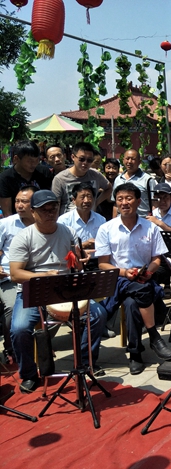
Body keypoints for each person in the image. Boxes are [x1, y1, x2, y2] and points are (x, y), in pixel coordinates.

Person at [10, 190, 106, 392]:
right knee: (19, 328)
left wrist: (80, 262)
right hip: (34, 288)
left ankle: (83, 364)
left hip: (65, 286)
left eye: (53, 209)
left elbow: (76, 265)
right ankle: (29, 373)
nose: (50, 213)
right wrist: (43, 276)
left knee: (98, 314)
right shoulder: (23, 237)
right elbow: (16, 274)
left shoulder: (68, 232)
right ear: (33, 212)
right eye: (44, 210)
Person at [96, 183, 171, 375]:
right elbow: (103, 264)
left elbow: (157, 259)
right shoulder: (106, 228)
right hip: (118, 279)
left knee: (132, 304)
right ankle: (154, 336)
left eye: (129, 198)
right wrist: (125, 273)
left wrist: (149, 272)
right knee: (142, 290)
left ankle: (135, 354)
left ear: (138, 202)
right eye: (120, 199)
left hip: (143, 278)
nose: (124, 203)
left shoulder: (151, 227)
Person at [0, 186, 37, 365]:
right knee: (13, 308)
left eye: (24, 202)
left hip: (38, 278)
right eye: (17, 201)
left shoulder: (44, 224)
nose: (19, 205)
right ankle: (12, 348)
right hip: (9, 278)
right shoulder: (6, 224)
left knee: (53, 310)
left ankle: (36, 343)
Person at [51, 141, 112, 215]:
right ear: (73, 157)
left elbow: (109, 188)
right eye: (82, 159)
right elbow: (55, 205)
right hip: (68, 220)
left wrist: (96, 202)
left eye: (89, 160)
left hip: (90, 219)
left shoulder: (95, 175)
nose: (85, 163)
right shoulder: (60, 179)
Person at [0, 140, 53, 216]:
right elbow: (7, 212)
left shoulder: (44, 172)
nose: (34, 164)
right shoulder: (5, 178)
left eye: (36, 160)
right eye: (29, 161)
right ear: (16, 158)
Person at [57, 182, 106, 255]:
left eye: (89, 196)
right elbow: (60, 246)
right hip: (74, 259)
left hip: (97, 259)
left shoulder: (101, 220)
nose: (86, 201)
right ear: (74, 200)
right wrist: (83, 245)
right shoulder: (64, 221)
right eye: (82, 197)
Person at [112, 149, 156, 218]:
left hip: (143, 219)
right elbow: (115, 204)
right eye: (127, 159)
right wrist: (114, 221)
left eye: (133, 159)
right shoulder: (118, 179)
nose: (129, 161)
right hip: (121, 220)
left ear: (139, 162)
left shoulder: (148, 180)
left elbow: (155, 203)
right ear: (123, 160)